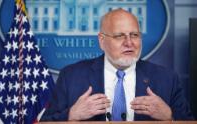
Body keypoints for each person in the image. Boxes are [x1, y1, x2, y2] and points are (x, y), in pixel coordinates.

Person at [40, 8, 194, 121]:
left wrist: (170, 117)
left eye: (134, 35)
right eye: (120, 36)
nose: (129, 43)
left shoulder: (167, 79)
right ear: (102, 41)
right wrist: (71, 115)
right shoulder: (71, 76)